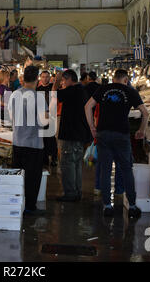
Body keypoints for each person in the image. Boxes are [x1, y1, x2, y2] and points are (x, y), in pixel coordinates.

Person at [85, 69, 149, 218]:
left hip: (104, 134)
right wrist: (141, 130)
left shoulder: (103, 89)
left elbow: (87, 106)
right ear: (126, 79)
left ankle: (107, 206)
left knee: (105, 171)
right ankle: (132, 206)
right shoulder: (130, 91)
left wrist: (92, 127)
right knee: (127, 170)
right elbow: (145, 113)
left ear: (113, 79)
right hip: (122, 134)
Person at [8, 65, 48, 216]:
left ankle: (16, 206)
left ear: (23, 78)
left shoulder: (14, 95)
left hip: (18, 143)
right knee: (32, 179)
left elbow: (11, 117)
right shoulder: (38, 97)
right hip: (34, 145)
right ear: (37, 79)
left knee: (18, 177)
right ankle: (30, 208)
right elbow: (44, 122)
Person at [52, 70, 91, 202]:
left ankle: (70, 193)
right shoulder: (81, 90)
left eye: (63, 80)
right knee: (76, 165)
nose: (62, 83)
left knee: (68, 164)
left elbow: (54, 94)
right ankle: (77, 191)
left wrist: (56, 82)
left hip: (70, 135)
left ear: (69, 79)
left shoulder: (72, 90)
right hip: (78, 134)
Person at [37, 70, 58, 167]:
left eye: (47, 77)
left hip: (52, 116)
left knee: (51, 139)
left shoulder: (52, 88)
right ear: (40, 78)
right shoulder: (38, 90)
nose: (45, 78)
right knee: (43, 138)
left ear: (49, 78)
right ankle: (44, 159)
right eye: (43, 77)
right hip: (41, 117)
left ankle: (54, 158)